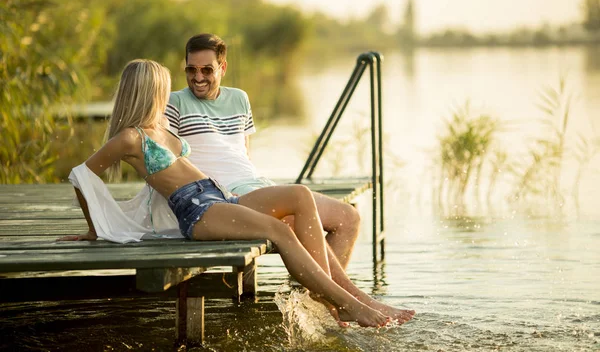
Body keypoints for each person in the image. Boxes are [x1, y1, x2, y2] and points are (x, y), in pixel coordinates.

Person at [59, 59, 412, 328]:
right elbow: (81, 176)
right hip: (197, 212)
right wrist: (97, 228)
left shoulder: (160, 127)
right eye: (162, 88)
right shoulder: (130, 138)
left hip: (218, 198)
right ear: (148, 91)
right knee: (279, 230)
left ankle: (328, 293)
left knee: (300, 196)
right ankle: (345, 302)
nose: (167, 94)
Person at [166, 33, 360, 270]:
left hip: (256, 185)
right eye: (191, 70)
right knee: (294, 223)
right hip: (222, 196)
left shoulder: (239, 98)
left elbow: (244, 152)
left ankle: (313, 300)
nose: (198, 78)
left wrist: (262, 190)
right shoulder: (173, 103)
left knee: (348, 218)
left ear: (222, 67)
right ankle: (335, 299)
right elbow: (169, 163)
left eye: (207, 70)